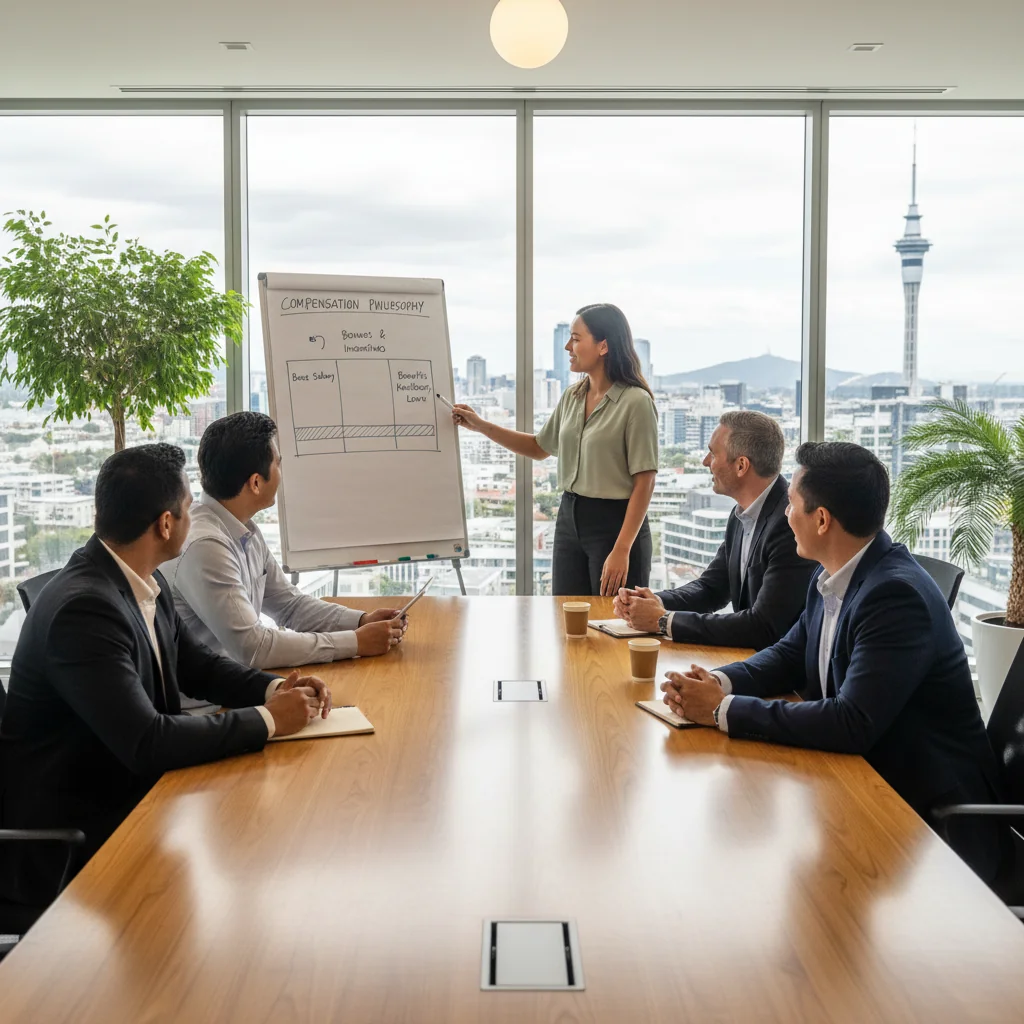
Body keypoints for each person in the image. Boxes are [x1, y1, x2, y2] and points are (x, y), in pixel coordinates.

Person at [0, 444, 331, 909]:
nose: (194, 516)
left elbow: (198, 666)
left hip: (133, 796)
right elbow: (147, 741)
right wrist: (270, 719)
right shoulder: (84, 610)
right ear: (165, 524)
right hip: (79, 837)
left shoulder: (142, 578)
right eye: (189, 507)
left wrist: (276, 688)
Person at [662, 441, 1003, 880]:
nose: (785, 515)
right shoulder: (831, 574)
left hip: (930, 824)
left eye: (791, 504)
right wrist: (717, 682)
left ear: (821, 519)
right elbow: (789, 654)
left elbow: (851, 721)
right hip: (866, 785)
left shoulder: (894, 596)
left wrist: (720, 710)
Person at [163, 412, 407, 677]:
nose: (281, 473)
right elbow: (254, 648)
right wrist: (356, 642)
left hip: (239, 685)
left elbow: (289, 605)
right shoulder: (205, 546)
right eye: (278, 464)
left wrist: (361, 621)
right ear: (256, 483)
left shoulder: (242, 528)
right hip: (210, 698)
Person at [453, 304, 658, 595]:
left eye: (575, 338)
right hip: (569, 519)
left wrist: (622, 548)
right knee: (565, 613)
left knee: (612, 618)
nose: (567, 347)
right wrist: (481, 426)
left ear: (603, 346)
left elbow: (645, 481)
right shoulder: (572, 396)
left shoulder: (636, 402)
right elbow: (539, 447)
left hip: (615, 525)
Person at [613, 411, 815, 649]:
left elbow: (764, 626)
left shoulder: (789, 523)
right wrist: (651, 601)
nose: (705, 461)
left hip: (776, 666)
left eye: (713, 453)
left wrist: (664, 621)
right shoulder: (741, 514)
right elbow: (712, 588)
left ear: (741, 465)